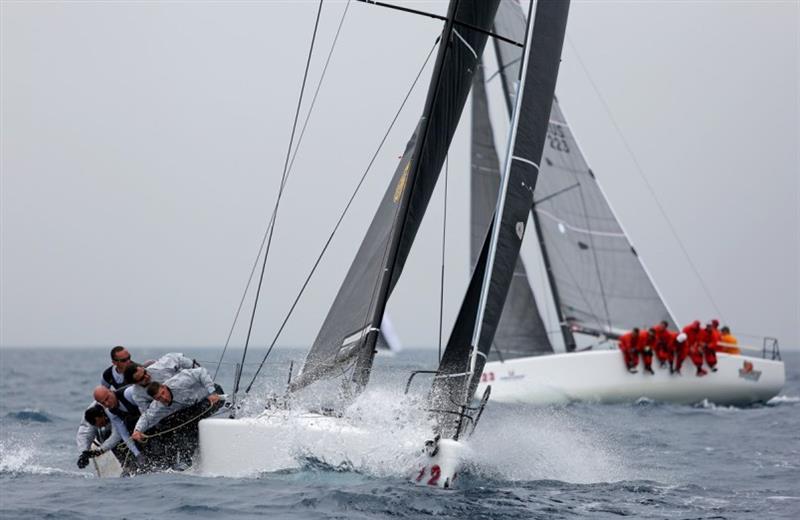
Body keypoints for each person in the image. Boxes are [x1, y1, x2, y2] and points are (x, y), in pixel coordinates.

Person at [131, 367, 222, 442]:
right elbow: (146, 417)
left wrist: (212, 392)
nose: (164, 398)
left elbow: (201, 371)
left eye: (163, 393)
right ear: (155, 399)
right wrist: (137, 431)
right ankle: (187, 459)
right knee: (175, 425)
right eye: (159, 398)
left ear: (164, 387)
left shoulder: (178, 382)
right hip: (195, 407)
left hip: (215, 396)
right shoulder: (158, 405)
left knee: (190, 418)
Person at [123, 353, 198, 411]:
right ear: (135, 383)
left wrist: (194, 367)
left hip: (192, 391)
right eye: (142, 378)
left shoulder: (159, 367)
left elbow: (177, 358)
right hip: (175, 408)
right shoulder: (138, 395)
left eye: (145, 372)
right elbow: (149, 413)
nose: (147, 376)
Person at [92, 385, 142, 462]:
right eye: (103, 403)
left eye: (107, 398)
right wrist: (137, 454)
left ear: (111, 391)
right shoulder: (110, 411)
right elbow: (123, 433)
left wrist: (139, 429)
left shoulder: (129, 393)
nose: (107, 403)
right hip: (140, 430)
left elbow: (147, 411)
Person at [76, 403, 112, 468]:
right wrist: (84, 452)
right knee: (106, 434)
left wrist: (102, 450)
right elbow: (84, 430)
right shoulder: (92, 411)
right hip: (108, 434)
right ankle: (128, 466)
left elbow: (117, 435)